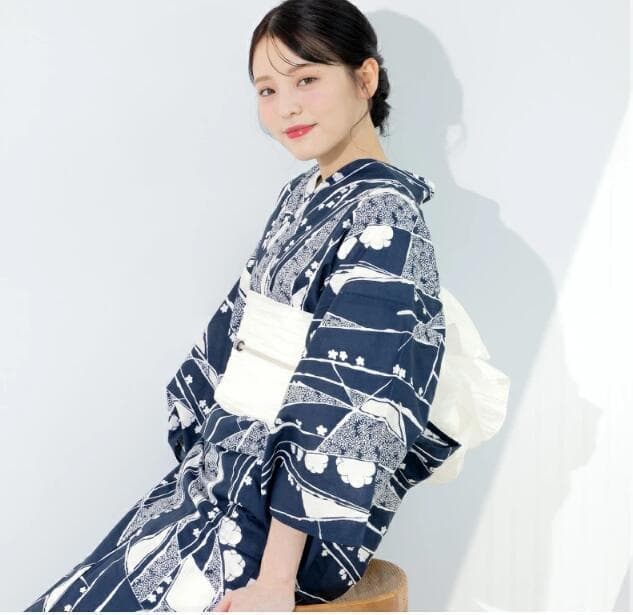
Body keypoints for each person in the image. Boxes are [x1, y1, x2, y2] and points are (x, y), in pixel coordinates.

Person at [24, 0, 510, 611]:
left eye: (307, 79)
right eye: (267, 90)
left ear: (365, 78)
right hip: (221, 479)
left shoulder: (385, 214)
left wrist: (276, 579)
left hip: (276, 528)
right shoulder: (301, 194)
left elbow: (344, 400)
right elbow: (235, 338)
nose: (286, 107)